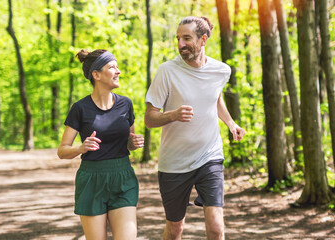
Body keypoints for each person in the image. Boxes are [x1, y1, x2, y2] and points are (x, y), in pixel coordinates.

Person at [144, 16, 246, 240]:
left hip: (209, 156)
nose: (180, 44)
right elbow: (149, 120)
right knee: (175, 229)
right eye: (178, 38)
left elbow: (215, 97)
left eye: (187, 38)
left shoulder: (221, 71)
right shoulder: (167, 71)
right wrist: (173, 115)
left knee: (216, 226)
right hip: (174, 163)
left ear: (203, 40)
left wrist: (230, 123)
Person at [57, 49, 144, 240]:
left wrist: (133, 141)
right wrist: (81, 148)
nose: (118, 71)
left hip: (123, 177)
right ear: (96, 75)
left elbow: (128, 142)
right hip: (91, 180)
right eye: (112, 67)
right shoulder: (80, 108)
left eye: (117, 66)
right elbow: (62, 151)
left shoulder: (126, 105)